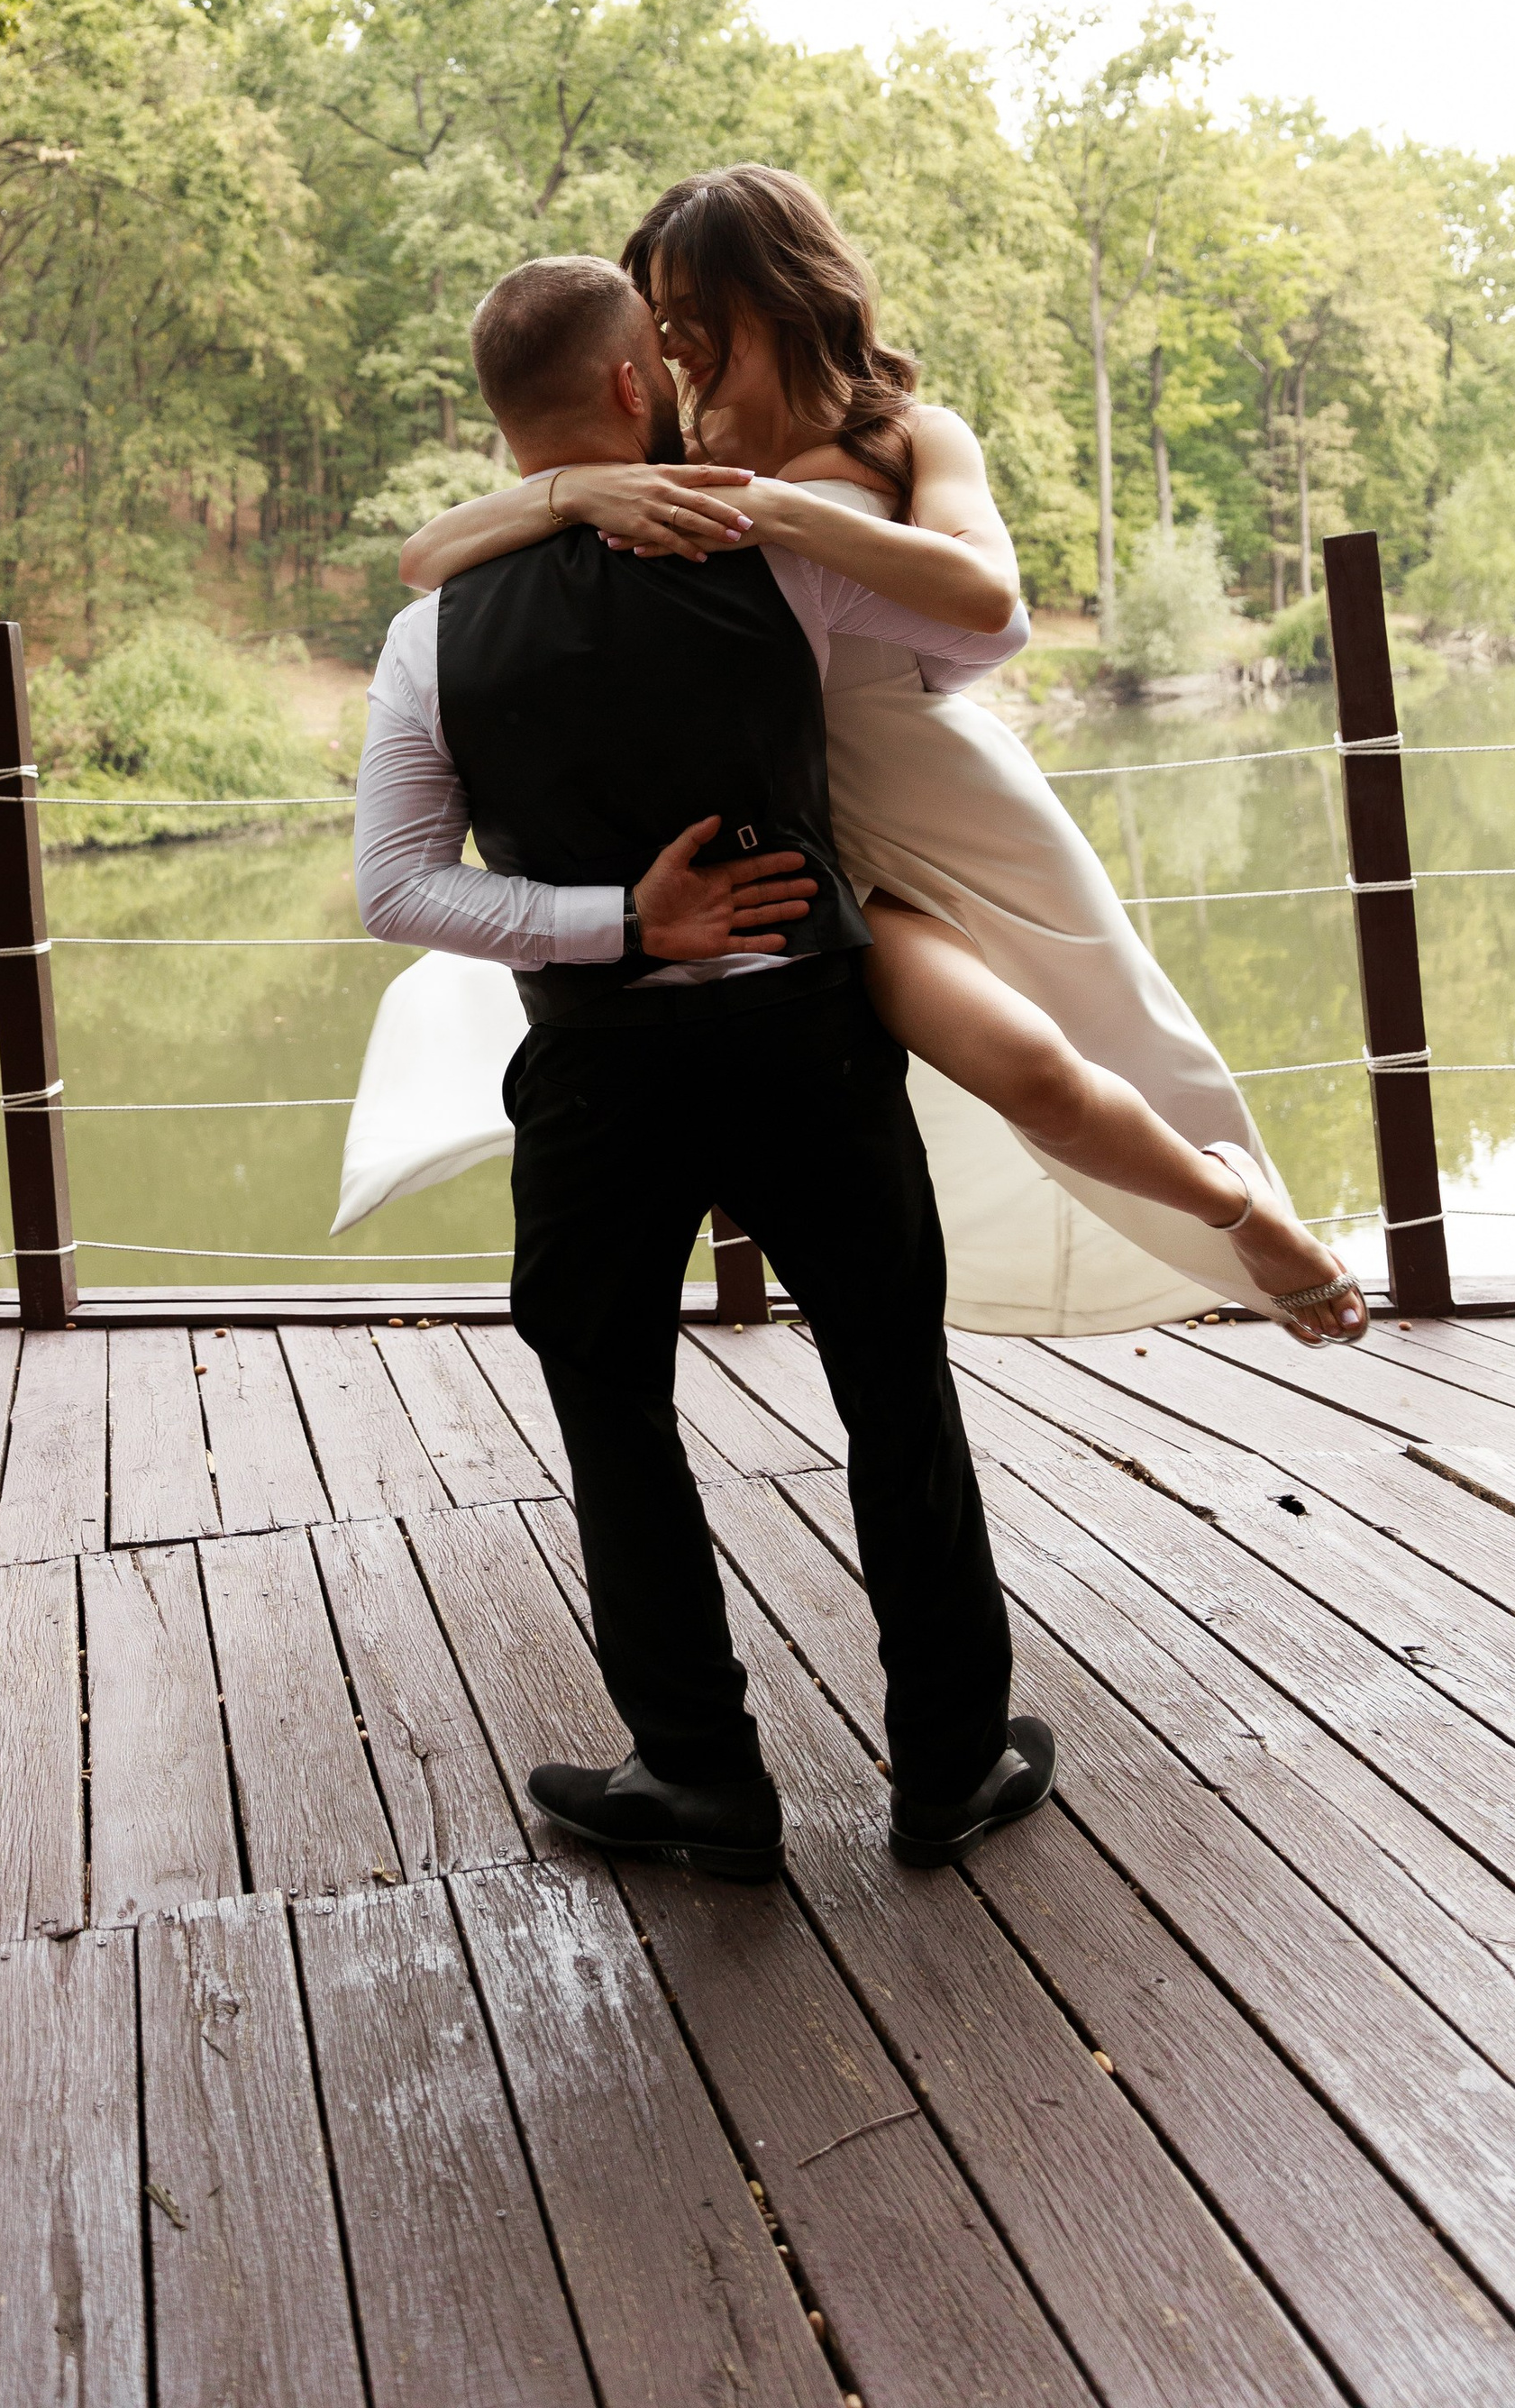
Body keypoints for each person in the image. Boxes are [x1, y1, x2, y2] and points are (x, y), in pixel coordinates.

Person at [365, 163, 1366, 1349]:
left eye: (692, 309)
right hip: (819, 846)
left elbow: (992, 605)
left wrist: (774, 510)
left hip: (942, 792)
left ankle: (1244, 1201)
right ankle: (1234, 1211)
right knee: (1029, 1068)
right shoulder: (661, 461)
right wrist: (578, 490)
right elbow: (428, 561)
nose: (673, 338)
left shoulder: (910, 437)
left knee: (1114, 1026)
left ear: (777, 293)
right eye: (657, 315)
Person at [353, 250, 1054, 1878]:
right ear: (624, 388)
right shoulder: (770, 553)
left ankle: (705, 1782)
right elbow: (986, 632)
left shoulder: (431, 632)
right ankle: (948, 1765)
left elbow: (399, 891)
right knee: (894, 1388)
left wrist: (617, 924)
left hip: (601, 1073)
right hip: (808, 1042)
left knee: (615, 1412)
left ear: (495, 416)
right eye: (658, 352)